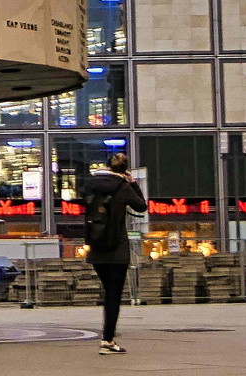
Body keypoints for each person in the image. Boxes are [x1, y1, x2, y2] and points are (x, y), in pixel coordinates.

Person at [83, 151, 147, 355]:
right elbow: (141, 206)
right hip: (117, 248)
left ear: (108, 166)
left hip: (96, 246)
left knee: (108, 290)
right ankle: (107, 341)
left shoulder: (92, 184)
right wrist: (132, 182)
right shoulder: (123, 187)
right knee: (113, 295)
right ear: (124, 169)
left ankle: (108, 339)